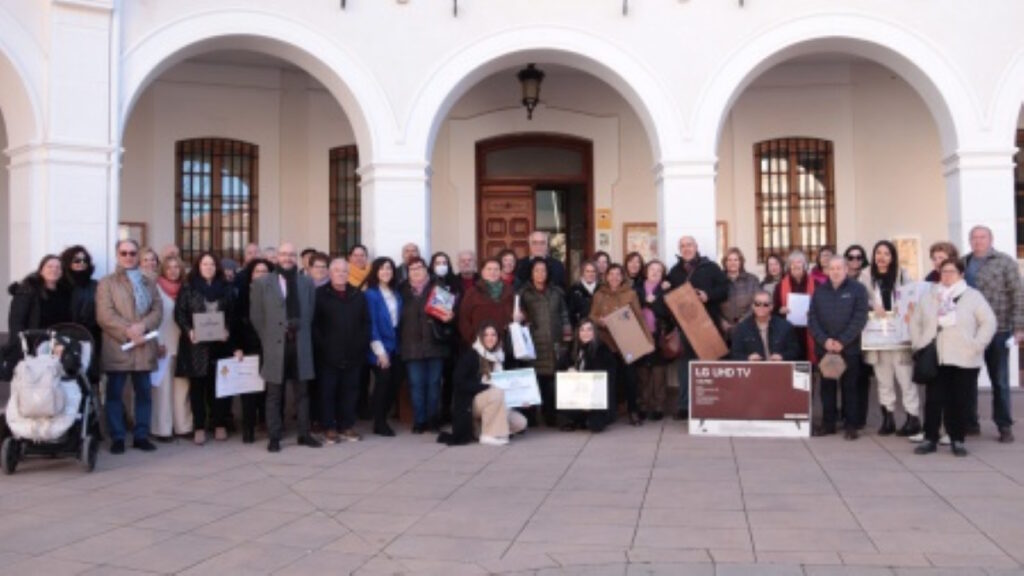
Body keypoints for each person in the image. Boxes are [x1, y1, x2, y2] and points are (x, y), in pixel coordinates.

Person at [911, 258, 996, 457]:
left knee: (959, 400)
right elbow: (916, 321)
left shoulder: (972, 296)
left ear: (961, 274)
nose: (947, 276)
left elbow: (988, 322)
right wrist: (918, 343)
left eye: (952, 272)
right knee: (933, 400)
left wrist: (977, 345)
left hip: (964, 357)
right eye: (944, 272)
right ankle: (930, 438)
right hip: (937, 356)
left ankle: (957, 439)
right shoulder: (930, 295)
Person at [250, 242, 322, 452]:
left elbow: (310, 312)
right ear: (277, 257)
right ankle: (274, 437)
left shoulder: (306, 282)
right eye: (283, 254)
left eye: (291, 254)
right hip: (275, 345)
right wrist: (268, 338)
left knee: (302, 393)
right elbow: (257, 316)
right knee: (274, 394)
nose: (287, 258)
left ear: (297, 258)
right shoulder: (263, 283)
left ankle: (304, 434)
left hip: (300, 344)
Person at [96, 239, 162, 454]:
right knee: (115, 395)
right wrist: (128, 331)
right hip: (118, 346)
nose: (128, 257)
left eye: (132, 253)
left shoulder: (148, 282)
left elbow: (157, 311)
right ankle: (117, 437)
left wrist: (143, 326)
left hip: (143, 346)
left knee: (143, 394)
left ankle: (141, 435)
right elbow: (105, 315)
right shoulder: (107, 283)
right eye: (123, 253)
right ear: (117, 255)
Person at [963, 225, 1023, 443]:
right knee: (968, 379)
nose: (978, 241)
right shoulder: (964, 262)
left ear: (990, 239)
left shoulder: (1005, 262)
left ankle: (1004, 425)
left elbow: (1018, 294)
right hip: (970, 332)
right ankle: (970, 422)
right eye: (974, 238)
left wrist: (1019, 328)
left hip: (998, 330)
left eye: (982, 237)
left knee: (1000, 380)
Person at [174, 253, 241, 444]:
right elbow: (180, 313)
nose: (209, 267)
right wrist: (189, 331)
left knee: (218, 387)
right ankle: (199, 427)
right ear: (198, 266)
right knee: (197, 388)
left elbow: (232, 314)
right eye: (205, 264)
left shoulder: (226, 288)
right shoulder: (188, 287)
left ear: (217, 267)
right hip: (196, 346)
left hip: (220, 344)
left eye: (212, 264)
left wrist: (227, 329)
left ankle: (219, 424)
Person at [861, 240, 922, 437]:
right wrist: (872, 304)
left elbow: (913, 299)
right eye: (878, 252)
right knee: (883, 379)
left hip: (900, 336)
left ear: (892, 256)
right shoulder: (865, 275)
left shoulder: (902, 275)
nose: (882, 257)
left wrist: (902, 305)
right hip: (877, 337)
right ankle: (888, 418)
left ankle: (913, 418)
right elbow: (860, 299)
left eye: (886, 253)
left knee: (905, 379)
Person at [666, 235, 728, 420]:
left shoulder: (711, 267)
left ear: (696, 246)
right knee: (685, 366)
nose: (686, 248)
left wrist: (708, 295)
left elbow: (724, 290)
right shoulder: (675, 271)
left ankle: (714, 404)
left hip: (707, 324)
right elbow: (670, 297)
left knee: (709, 364)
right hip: (685, 327)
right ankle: (684, 406)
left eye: (689, 245)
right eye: (683, 245)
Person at [808, 256, 869, 440]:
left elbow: (860, 318)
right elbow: (812, 319)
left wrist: (842, 341)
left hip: (849, 348)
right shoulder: (819, 292)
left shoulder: (857, 290)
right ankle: (829, 424)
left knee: (850, 387)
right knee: (827, 387)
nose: (835, 271)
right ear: (827, 271)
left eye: (839, 268)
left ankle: (851, 425)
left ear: (846, 269)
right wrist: (824, 341)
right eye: (831, 268)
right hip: (825, 349)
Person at [313, 258, 370, 443]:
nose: (341, 274)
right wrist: (324, 347)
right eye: (337, 270)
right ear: (330, 273)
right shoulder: (320, 295)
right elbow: (315, 326)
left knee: (350, 391)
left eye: (344, 271)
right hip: (328, 355)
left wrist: (361, 344)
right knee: (328, 392)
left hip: (353, 354)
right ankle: (329, 427)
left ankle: (347, 425)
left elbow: (366, 323)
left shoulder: (357, 295)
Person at [447, 323, 528, 446]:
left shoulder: (501, 357)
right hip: (472, 403)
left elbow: (509, 386)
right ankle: (488, 435)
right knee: (495, 392)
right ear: (480, 337)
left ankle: (481, 429)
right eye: (486, 335)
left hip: (495, 400)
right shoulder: (472, 355)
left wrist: (521, 400)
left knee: (521, 423)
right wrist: (486, 387)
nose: (490, 338)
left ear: (498, 338)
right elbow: (459, 382)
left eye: (493, 335)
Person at [399, 257, 454, 433]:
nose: (416, 271)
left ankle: (433, 420)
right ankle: (419, 420)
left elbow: (447, 318)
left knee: (434, 384)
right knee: (416, 385)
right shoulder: (401, 291)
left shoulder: (438, 288)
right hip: (411, 346)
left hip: (435, 345)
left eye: (419, 267)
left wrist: (449, 318)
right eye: (412, 268)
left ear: (426, 269)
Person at [517, 257, 572, 426]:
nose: (540, 274)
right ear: (531, 273)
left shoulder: (557, 292)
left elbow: (564, 314)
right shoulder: (523, 293)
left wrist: (567, 337)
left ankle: (551, 416)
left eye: (543, 270)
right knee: (534, 381)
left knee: (551, 381)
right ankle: (532, 418)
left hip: (554, 342)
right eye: (536, 270)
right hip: (533, 343)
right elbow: (518, 316)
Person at [590, 264, 647, 426]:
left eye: (618, 274)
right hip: (606, 341)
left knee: (630, 377)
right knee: (609, 378)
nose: (614, 277)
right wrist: (599, 321)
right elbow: (592, 315)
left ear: (622, 277)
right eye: (611, 274)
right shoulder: (599, 294)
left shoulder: (630, 293)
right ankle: (609, 412)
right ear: (606, 276)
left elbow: (638, 316)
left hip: (626, 341)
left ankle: (633, 411)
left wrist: (644, 340)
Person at [150, 255, 192, 441]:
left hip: (184, 344)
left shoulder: (187, 289)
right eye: (169, 267)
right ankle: (162, 429)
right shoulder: (155, 289)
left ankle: (183, 426)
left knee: (182, 388)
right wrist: (156, 342)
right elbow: (152, 319)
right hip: (163, 344)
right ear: (163, 270)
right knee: (162, 389)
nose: (173, 270)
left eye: (177, 267)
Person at [235, 258, 273, 443]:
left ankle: (267, 424)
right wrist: (237, 347)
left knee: (269, 391)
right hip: (248, 348)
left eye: (265, 271)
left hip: (271, 348)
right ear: (251, 275)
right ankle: (248, 429)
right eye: (257, 271)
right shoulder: (242, 294)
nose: (261, 275)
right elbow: (234, 323)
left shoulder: (277, 294)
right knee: (249, 391)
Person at [365, 257, 402, 437]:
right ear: (375, 272)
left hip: (396, 346)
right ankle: (379, 422)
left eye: (389, 268)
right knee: (383, 384)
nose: (386, 271)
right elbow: (371, 324)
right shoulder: (371, 294)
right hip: (379, 347)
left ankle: (382, 416)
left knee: (393, 384)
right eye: (382, 269)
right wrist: (380, 352)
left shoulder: (396, 293)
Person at [560, 318, 617, 432]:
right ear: (578, 332)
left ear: (594, 332)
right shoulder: (573, 347)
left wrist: (580, 377)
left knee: (596, 427)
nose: (585, 333)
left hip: (596, 395)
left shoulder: (602, 349)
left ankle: (588, 418)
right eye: (582, 330)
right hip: (577, 393)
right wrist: (569, 370)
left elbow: (603, 378)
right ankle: (575, 418)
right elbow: (560, 366)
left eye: (589, 330)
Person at [635, 259, 672, 421]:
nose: (655, 272)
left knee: (659, 372)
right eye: (652, 269)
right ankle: (643, 405)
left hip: (659, 334)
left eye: (659, 270)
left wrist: (654, 298)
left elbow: (668, 312)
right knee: (643, 372)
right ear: (646, 271)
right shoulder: (637, 288)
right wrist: (645, 301)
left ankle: (658, 407)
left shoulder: (667, 290)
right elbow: (633, 308)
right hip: (640, 334)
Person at [429, 251, 461, 425]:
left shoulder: (454, 284)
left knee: (449, 378)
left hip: (451, 336)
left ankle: (447, 411)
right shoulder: (428, 284)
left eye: (444, 262)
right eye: (437, 262)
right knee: (434, 379)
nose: (441, 265)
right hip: (432, 336)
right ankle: (434, 415)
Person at [843, 243, 873, 431]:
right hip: (846, 335)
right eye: (851, 257)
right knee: (847, 377)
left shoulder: (868, 278)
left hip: (868, 333)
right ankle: (847, 415)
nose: (855, 261)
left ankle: (860, 417)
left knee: (863, 376)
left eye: (859, 257)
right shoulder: (841, 278)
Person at [7, 255, 72, 340]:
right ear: (41, 270)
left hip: (59, 341)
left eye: (58, 267)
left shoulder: (64, 293)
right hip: (33, 342)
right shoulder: (27, 291)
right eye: (50, 266)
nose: (54, 270)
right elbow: (16, 323)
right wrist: (22, 347)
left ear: (61, 272)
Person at [457, 258, 515, 346]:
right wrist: (473, 339)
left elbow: (520, 312)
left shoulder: (509, 291)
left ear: (500, 272)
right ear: (483, 272)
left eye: (496, 269)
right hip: (479, 344)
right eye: (489, 269)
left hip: (504, 344)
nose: (493, 272)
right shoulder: (472, 292)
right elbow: (463, 318)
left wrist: (521, 316)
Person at [730, 290, 800, 361]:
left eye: (765, 304)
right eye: (757, 304)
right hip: (754, 369)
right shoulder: (742, 328)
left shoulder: (785, 326)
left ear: (771, 307)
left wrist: (782, 357)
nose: (761, 307)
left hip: (778, 368)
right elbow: (735, 354)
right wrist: (748, 358)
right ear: (752, 306)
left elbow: (795, 351)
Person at [60, 245, 101, 361]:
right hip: (64, 336)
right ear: (68, 262)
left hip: (91, 335)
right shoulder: (60, 285)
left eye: (85, 260)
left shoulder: (96, 285)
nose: (81, 263)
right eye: (77, 260)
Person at [774, 250, 815, 362]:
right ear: (789, 266)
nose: (796, 265)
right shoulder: (780, 286)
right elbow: (775, 309)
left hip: (810, 330)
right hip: (789, 331)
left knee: (807, 365)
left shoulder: (816, 284)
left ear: (805, 265)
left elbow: (822, 307)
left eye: (799, 262)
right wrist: (780, 310)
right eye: (793, 263)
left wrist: (813, 311)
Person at [719, 247, 760, 341]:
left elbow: (757, 303)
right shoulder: (718, 280)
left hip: (747, 329)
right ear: (725, 262)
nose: (732, 263)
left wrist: (742, 321)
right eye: (729, 260)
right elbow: (713, 304)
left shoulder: (752, 280)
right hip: (723, 331)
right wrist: (721, 321)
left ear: (741, 262)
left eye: (736, 260)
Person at [567, 260, 598, 329]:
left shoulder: (601, 289)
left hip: (599, 330)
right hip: (581, 330)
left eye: (593, 271)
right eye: (587, 271)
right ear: (582, 273)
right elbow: (570, 314)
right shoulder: (574, 290)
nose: (590, 274)